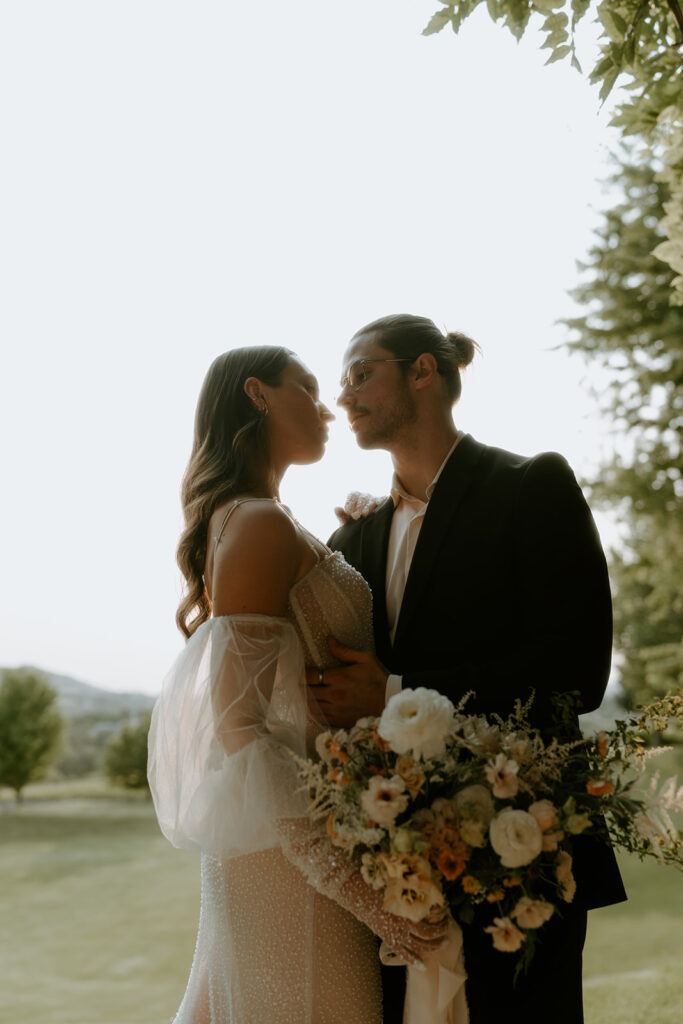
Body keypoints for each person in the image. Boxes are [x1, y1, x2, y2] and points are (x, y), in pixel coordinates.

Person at [312, 314, 627, 1024]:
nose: (346, 396)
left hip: (523, 853)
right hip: (391, 866)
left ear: (424, 371)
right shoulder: (351, 535)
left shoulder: (530, 486)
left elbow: (575, 667)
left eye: (362, 373)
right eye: (342, 383)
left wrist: (394, 692)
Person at [147, 345, 447, 1024]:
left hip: (301, 851)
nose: (328, 410)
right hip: (295, 870)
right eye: (308, 390)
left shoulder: (260, 518)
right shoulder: (256, 522)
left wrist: (361, 530)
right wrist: (357, 890)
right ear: (256, 394)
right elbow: (238, 729)